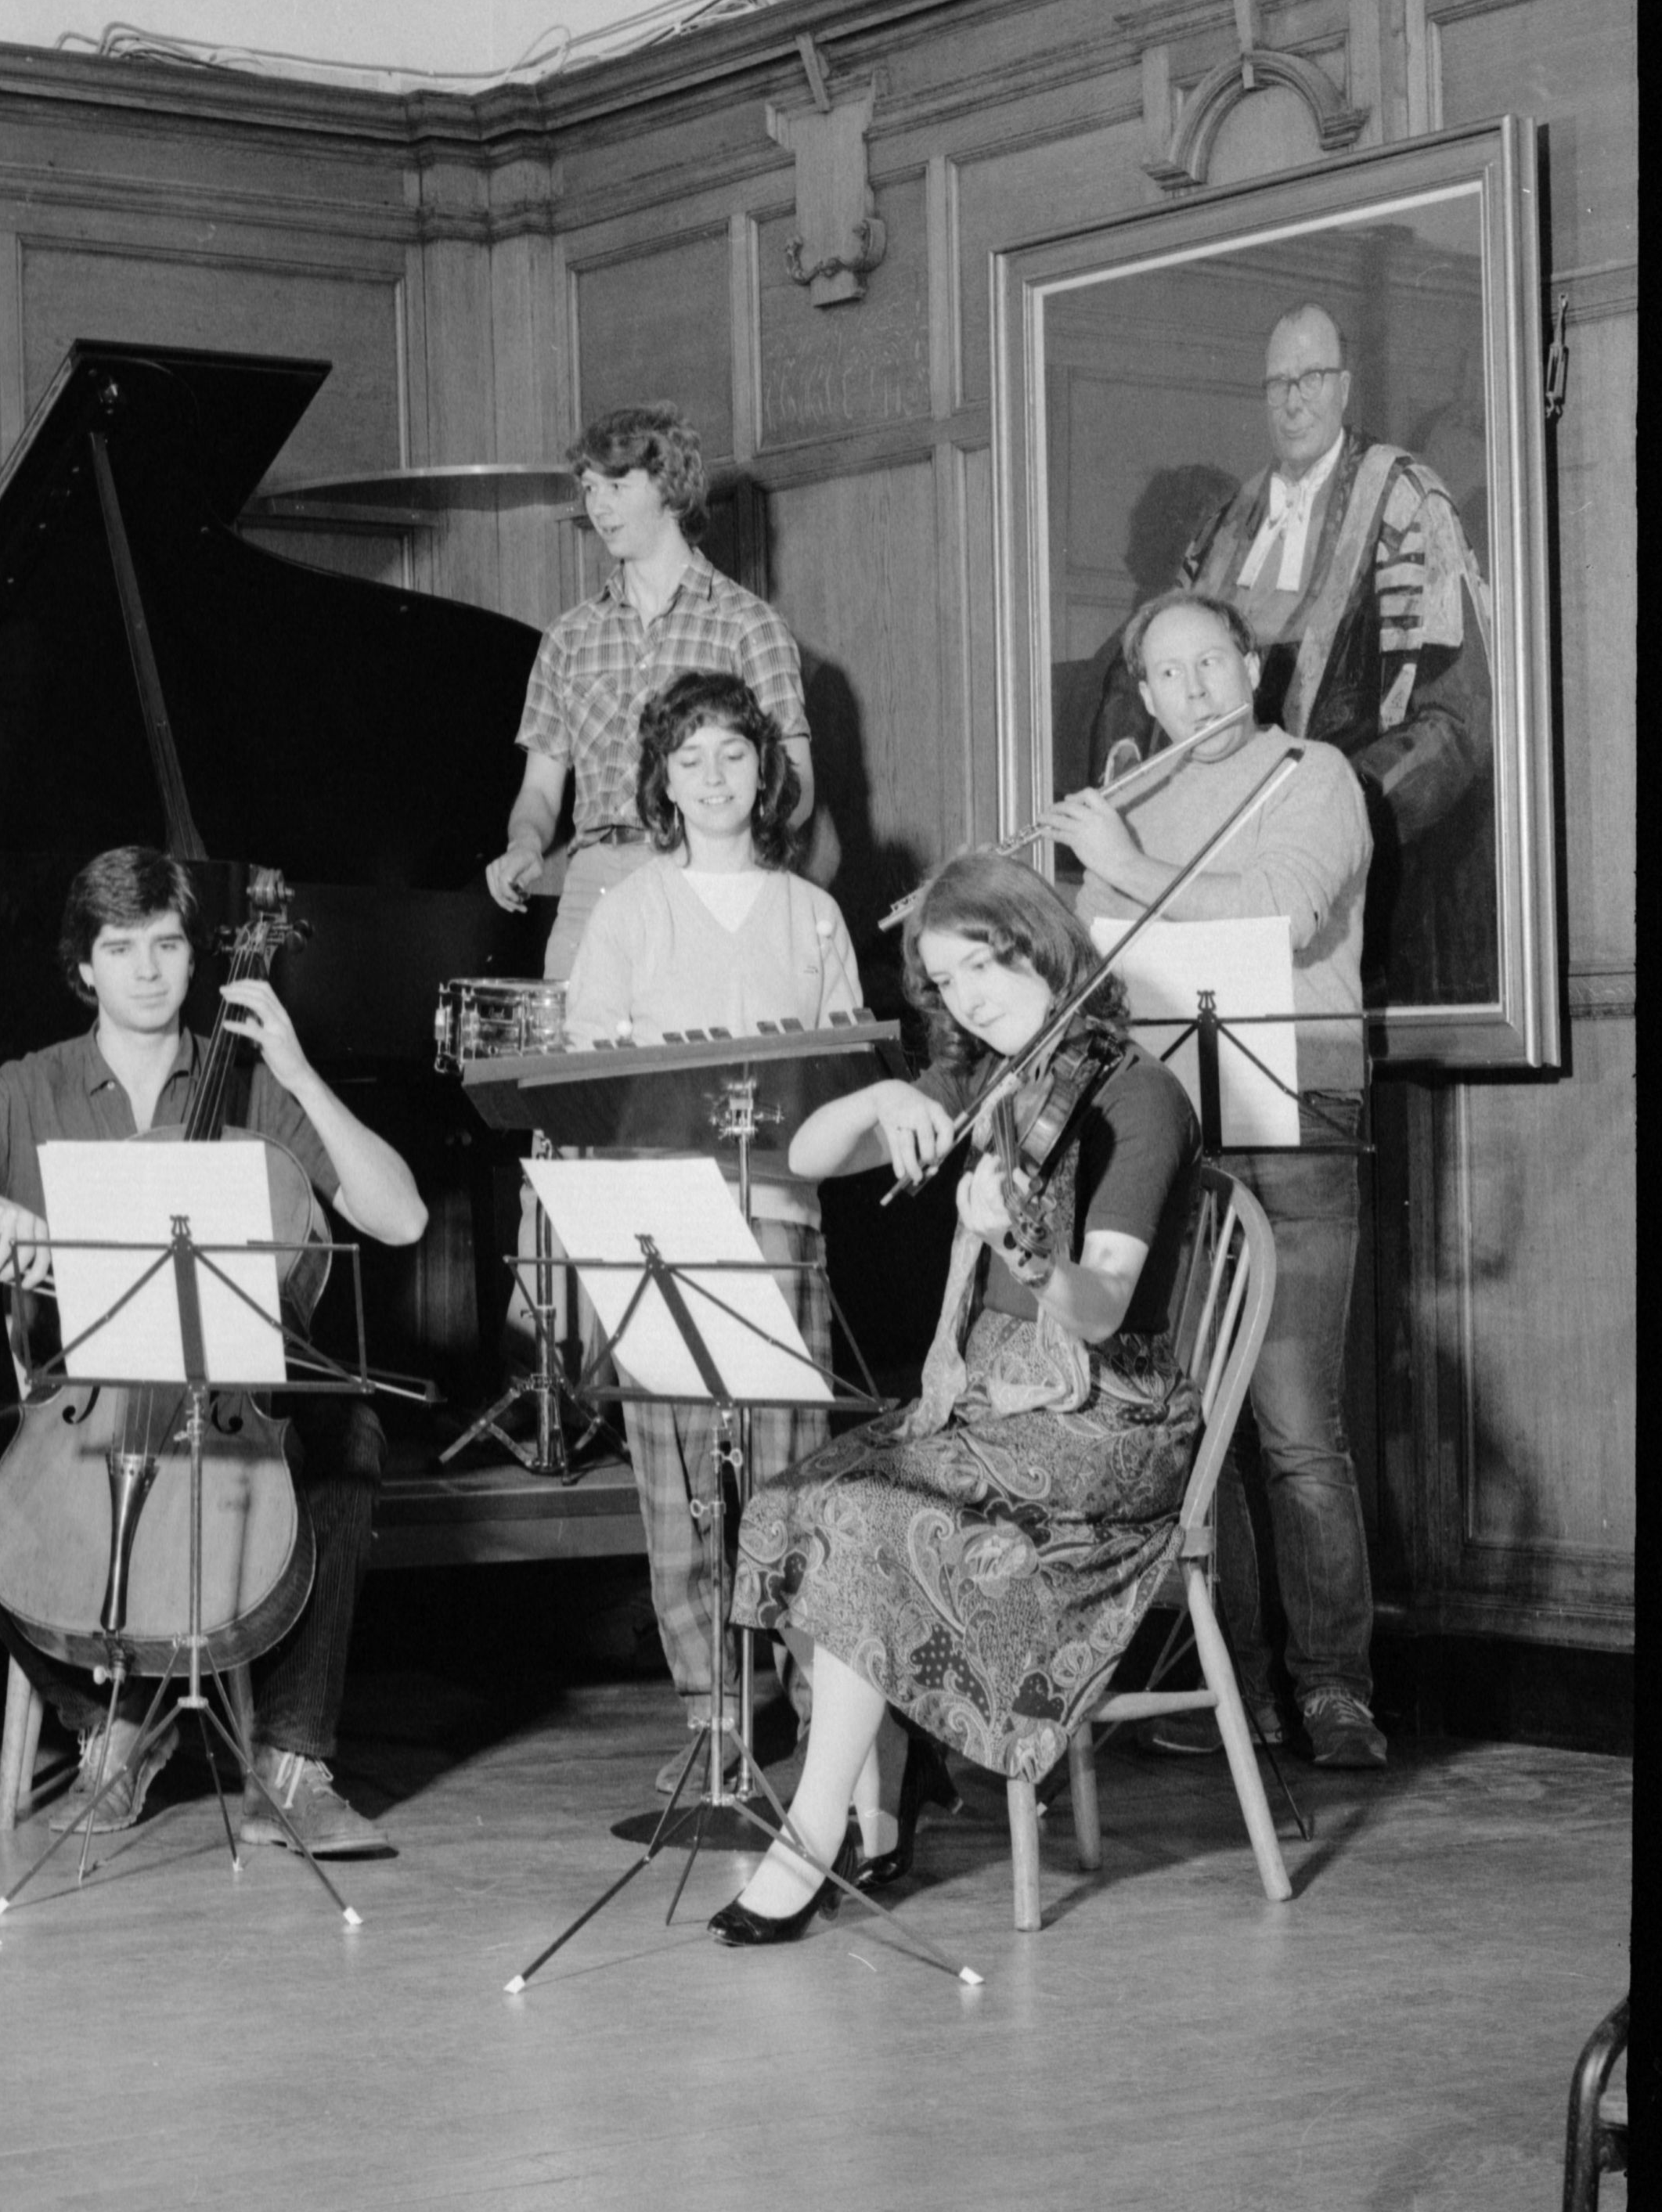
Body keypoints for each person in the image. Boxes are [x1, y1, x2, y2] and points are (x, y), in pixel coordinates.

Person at [708, 852, 1206, 1944]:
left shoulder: (1137, 1095)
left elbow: (1101, 1308)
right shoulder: (990, 1079)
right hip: (985, 1398)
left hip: (1104, 1416)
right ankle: (880, 1803)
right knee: (799, 1497)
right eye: (949, 978)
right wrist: (889, 1094)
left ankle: (812, 1833)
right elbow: (805, 1151)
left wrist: (1019, 1244)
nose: (974, 994)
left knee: (863, 1511)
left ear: (1043, 943)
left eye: (988, 961)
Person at [0, 847, 429, 1857]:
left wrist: (298, 1071)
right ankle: (112, 1718)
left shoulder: (251, 1085)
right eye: (119, 946)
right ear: (83, 966)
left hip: (238, 1392)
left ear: (197, 960)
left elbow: (398, 1216)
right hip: (89, 1403)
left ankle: (291, 1761)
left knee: (349, 1433)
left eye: (169, 944)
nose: (146, 969)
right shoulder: (28, 1089)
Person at [1047, 589, 1385, 1770]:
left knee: (1298, 1426)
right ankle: (1240, 1688)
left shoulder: (1315, 775)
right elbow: (1092, 958)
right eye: (1169, 676)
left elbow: (1285, 915)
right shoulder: (1136, 796)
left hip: (1298, 1112)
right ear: (1146, 693)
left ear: (1253, 665)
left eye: (1212, 665)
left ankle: (1336, 1686)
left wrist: (1125, 864)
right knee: (1205, 1429)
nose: (1195, 692)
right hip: (1176, 1120)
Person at [561, 671, 861, 1775]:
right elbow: (589, 1072)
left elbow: (845, 1076)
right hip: (664, 1220)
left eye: (734, 754)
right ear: (662, 782)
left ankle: (802, 1682)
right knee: (679, 1465)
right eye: (691, 760)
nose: (716, 777)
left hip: (779, 1211)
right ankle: (712, 1704)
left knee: (785, 1462)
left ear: (764, 770)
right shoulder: (632, 907)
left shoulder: (811, 911)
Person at [1168, 301, 1493, 1003]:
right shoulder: (1226, 523)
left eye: (1311, 377)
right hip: (1228, 896)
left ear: (1345, 386)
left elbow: (1457, 726)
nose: (1292, 400)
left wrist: (1329, 818)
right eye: (1277, 383)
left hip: (1360, 894)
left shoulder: (1407, 502)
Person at [486, 402, 812, 983]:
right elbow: (539, 790)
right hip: (590, 886)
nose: (598, 505)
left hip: (701, 876)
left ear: (669, 486)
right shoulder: (568, 638)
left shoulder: (748, 626)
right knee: (577, 1070)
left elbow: (799, 785)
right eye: (589, 487)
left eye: (616, 484)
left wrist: (728, 861)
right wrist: (525, 844)